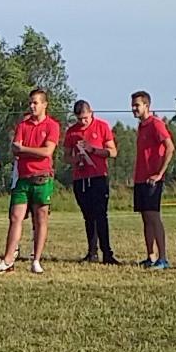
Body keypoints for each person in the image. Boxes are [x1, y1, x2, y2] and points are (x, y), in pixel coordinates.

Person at [0, 88, 61, 274]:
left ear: (44, 105)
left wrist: (25, 149)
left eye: (35, 103)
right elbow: (15, 148)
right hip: (23, 178)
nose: (32, 106)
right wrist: (27, 150)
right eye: (30, 103)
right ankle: (8, 259)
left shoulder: (52, 126)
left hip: (42, 178)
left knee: (40, 218)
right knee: (15, 217)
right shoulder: (23, 125)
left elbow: (47, 151)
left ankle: (36, 259)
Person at [64, 100, 119, 264]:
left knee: (101, 215)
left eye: (86, 118)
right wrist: (76, 159)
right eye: (79, 119)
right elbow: (66, 156)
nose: (83, 122)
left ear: (91, 113)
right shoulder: (71, 132)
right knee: (88, 216)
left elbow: (113, 152)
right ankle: (92, 252)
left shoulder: (102, 126)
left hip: (98, 176)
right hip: (80, 178)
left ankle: (107, 253)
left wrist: (93, 150)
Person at [131, 91, 175, 270]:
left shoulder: (156, 124)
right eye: (133, 105)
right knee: (145, 218)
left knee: (154, 217)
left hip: (153, 180)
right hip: (140, 179)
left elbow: (170, 147)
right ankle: (151, 256)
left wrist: (159, 173)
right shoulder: (141, 126)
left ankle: (163, 258)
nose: (134, 108)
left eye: (137, 105)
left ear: (146, 106)